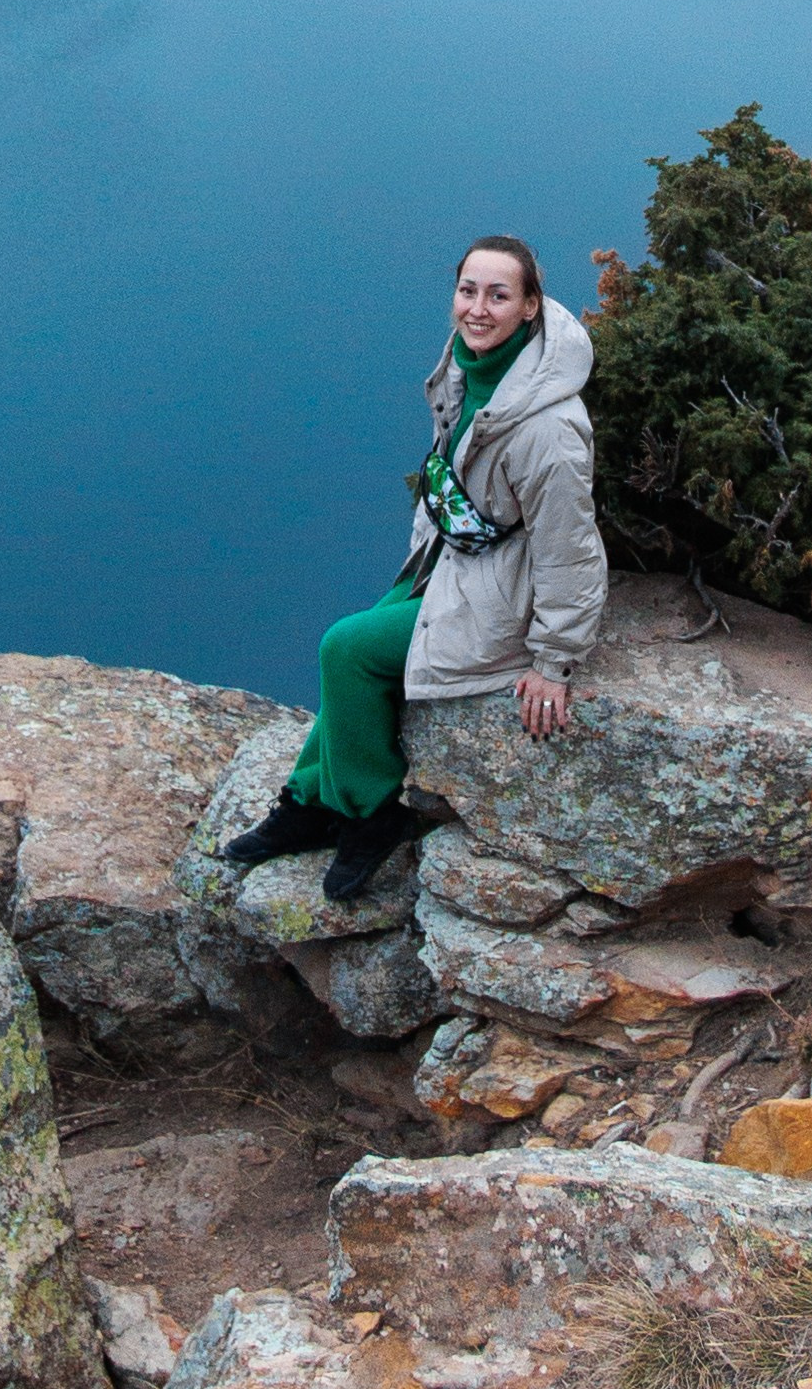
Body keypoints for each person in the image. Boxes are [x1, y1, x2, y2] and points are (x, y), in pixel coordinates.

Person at [222, 234, 607, 902]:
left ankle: (372, 814)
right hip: (459, 564)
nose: (478, 309)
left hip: (504, 592)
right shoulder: (474, 367)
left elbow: (569, 546)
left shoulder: (548, 428)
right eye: (468, 291)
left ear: (531, 307)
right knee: (365, 637)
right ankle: (311, 799)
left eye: (498, 295)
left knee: (346, 648)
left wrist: (554, 660)